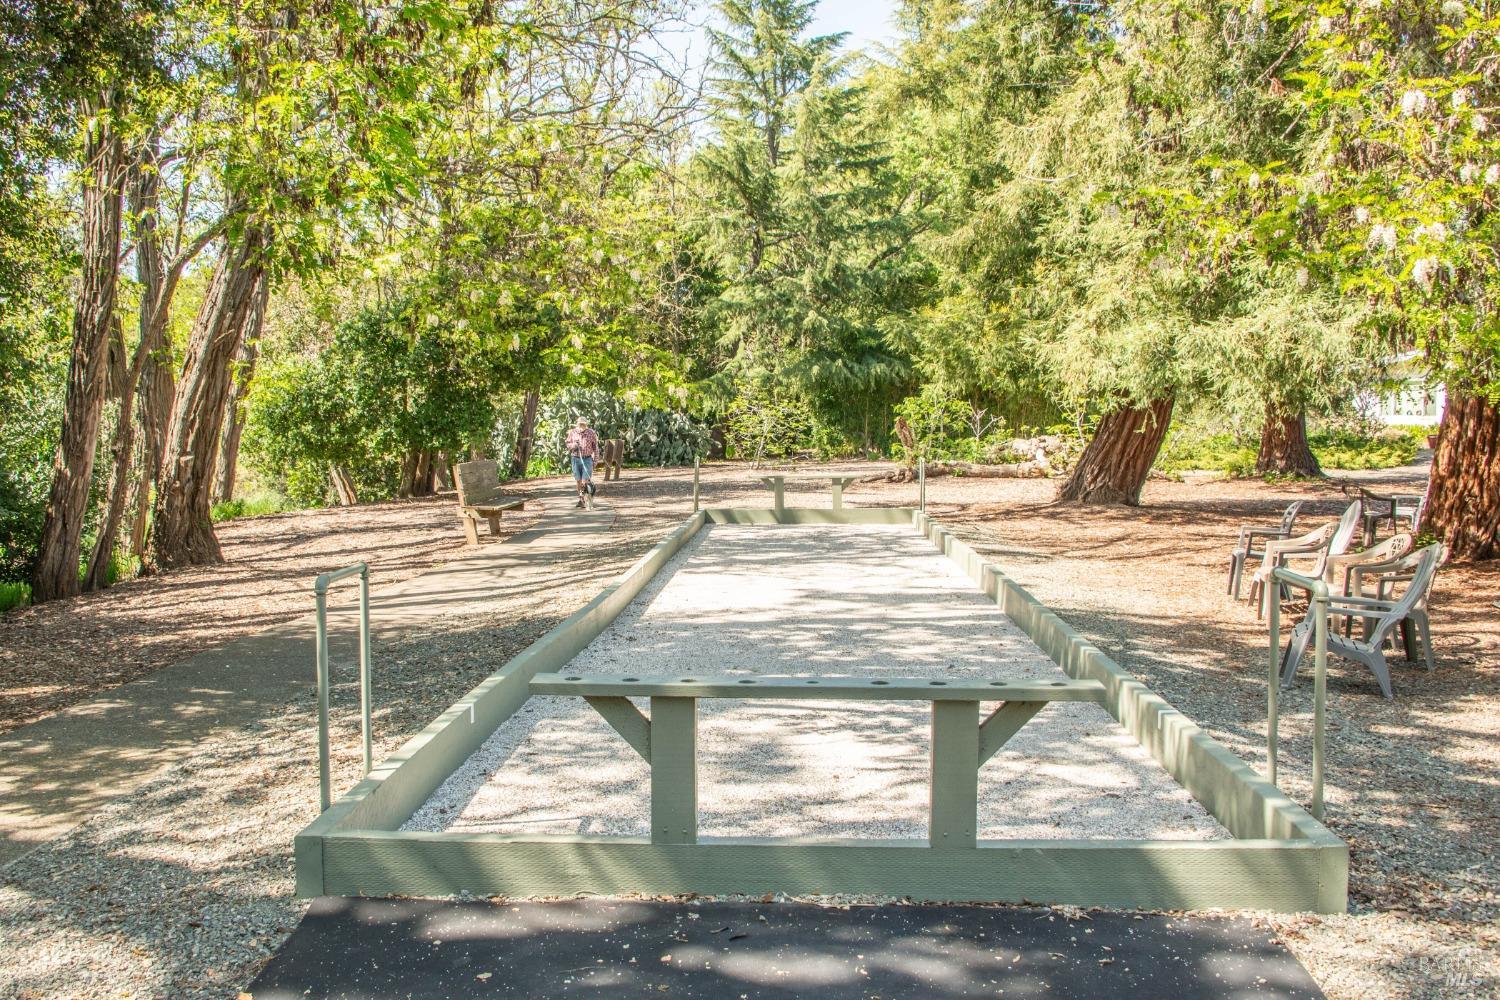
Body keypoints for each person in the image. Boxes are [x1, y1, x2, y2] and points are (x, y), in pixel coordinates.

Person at [565, 416, 601, 509]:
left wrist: (595, 461)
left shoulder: (591, 432)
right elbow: (568, 444)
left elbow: (596, 448)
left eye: (583, 424)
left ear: (586, 424)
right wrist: (574, 445)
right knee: (578, 481)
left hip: (587, 459)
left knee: (585, 481)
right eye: (580, 424)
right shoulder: (573, 432)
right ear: (577, 424)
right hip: (575, 459)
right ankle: (581, 500)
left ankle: (587, 501)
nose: (581, 425)